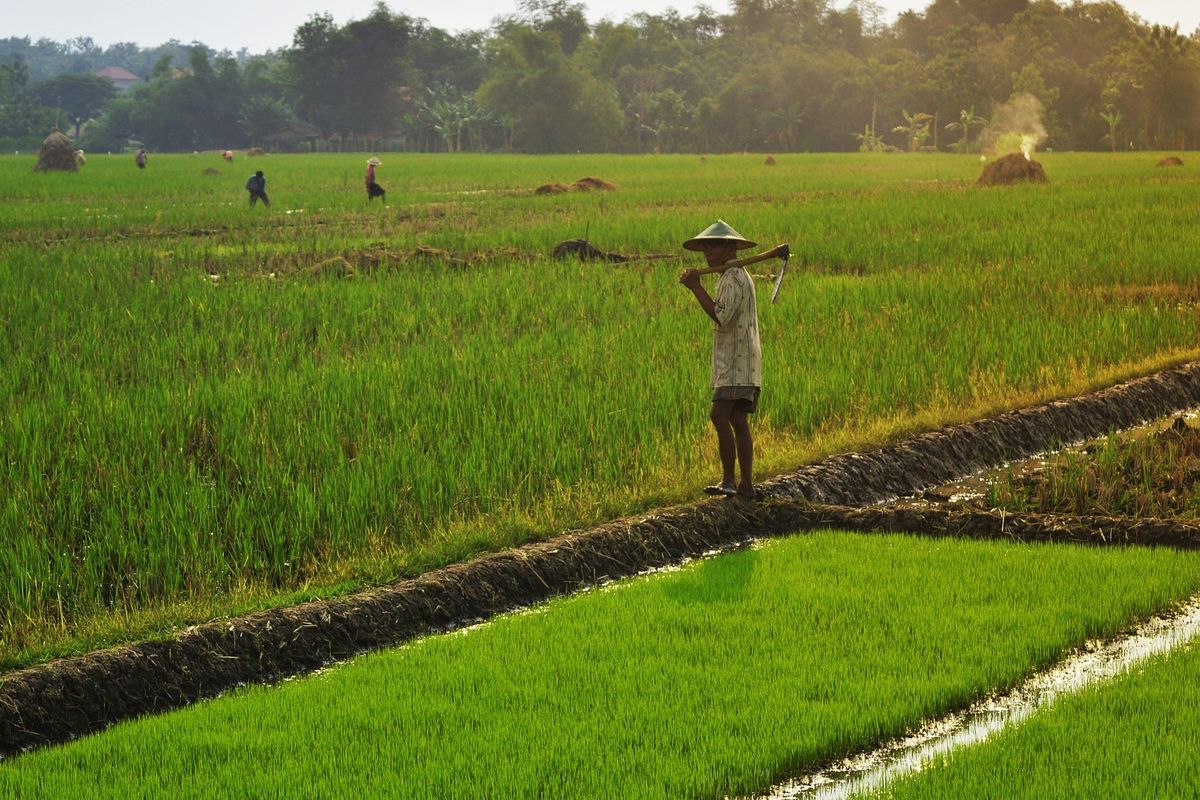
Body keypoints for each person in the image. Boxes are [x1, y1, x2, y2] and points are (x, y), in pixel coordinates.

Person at [678, 220, 784, 501]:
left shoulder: (734, 277)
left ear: (728, 247)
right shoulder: (730, 275)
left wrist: (695, 288)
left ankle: (729, 480)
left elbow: (722, 316)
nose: (706, 253)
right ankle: (745, 485)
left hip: (737, 364)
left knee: (719, 415)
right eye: (705, 248)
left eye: (712, 246)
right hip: (740, 361)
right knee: (737, 418)